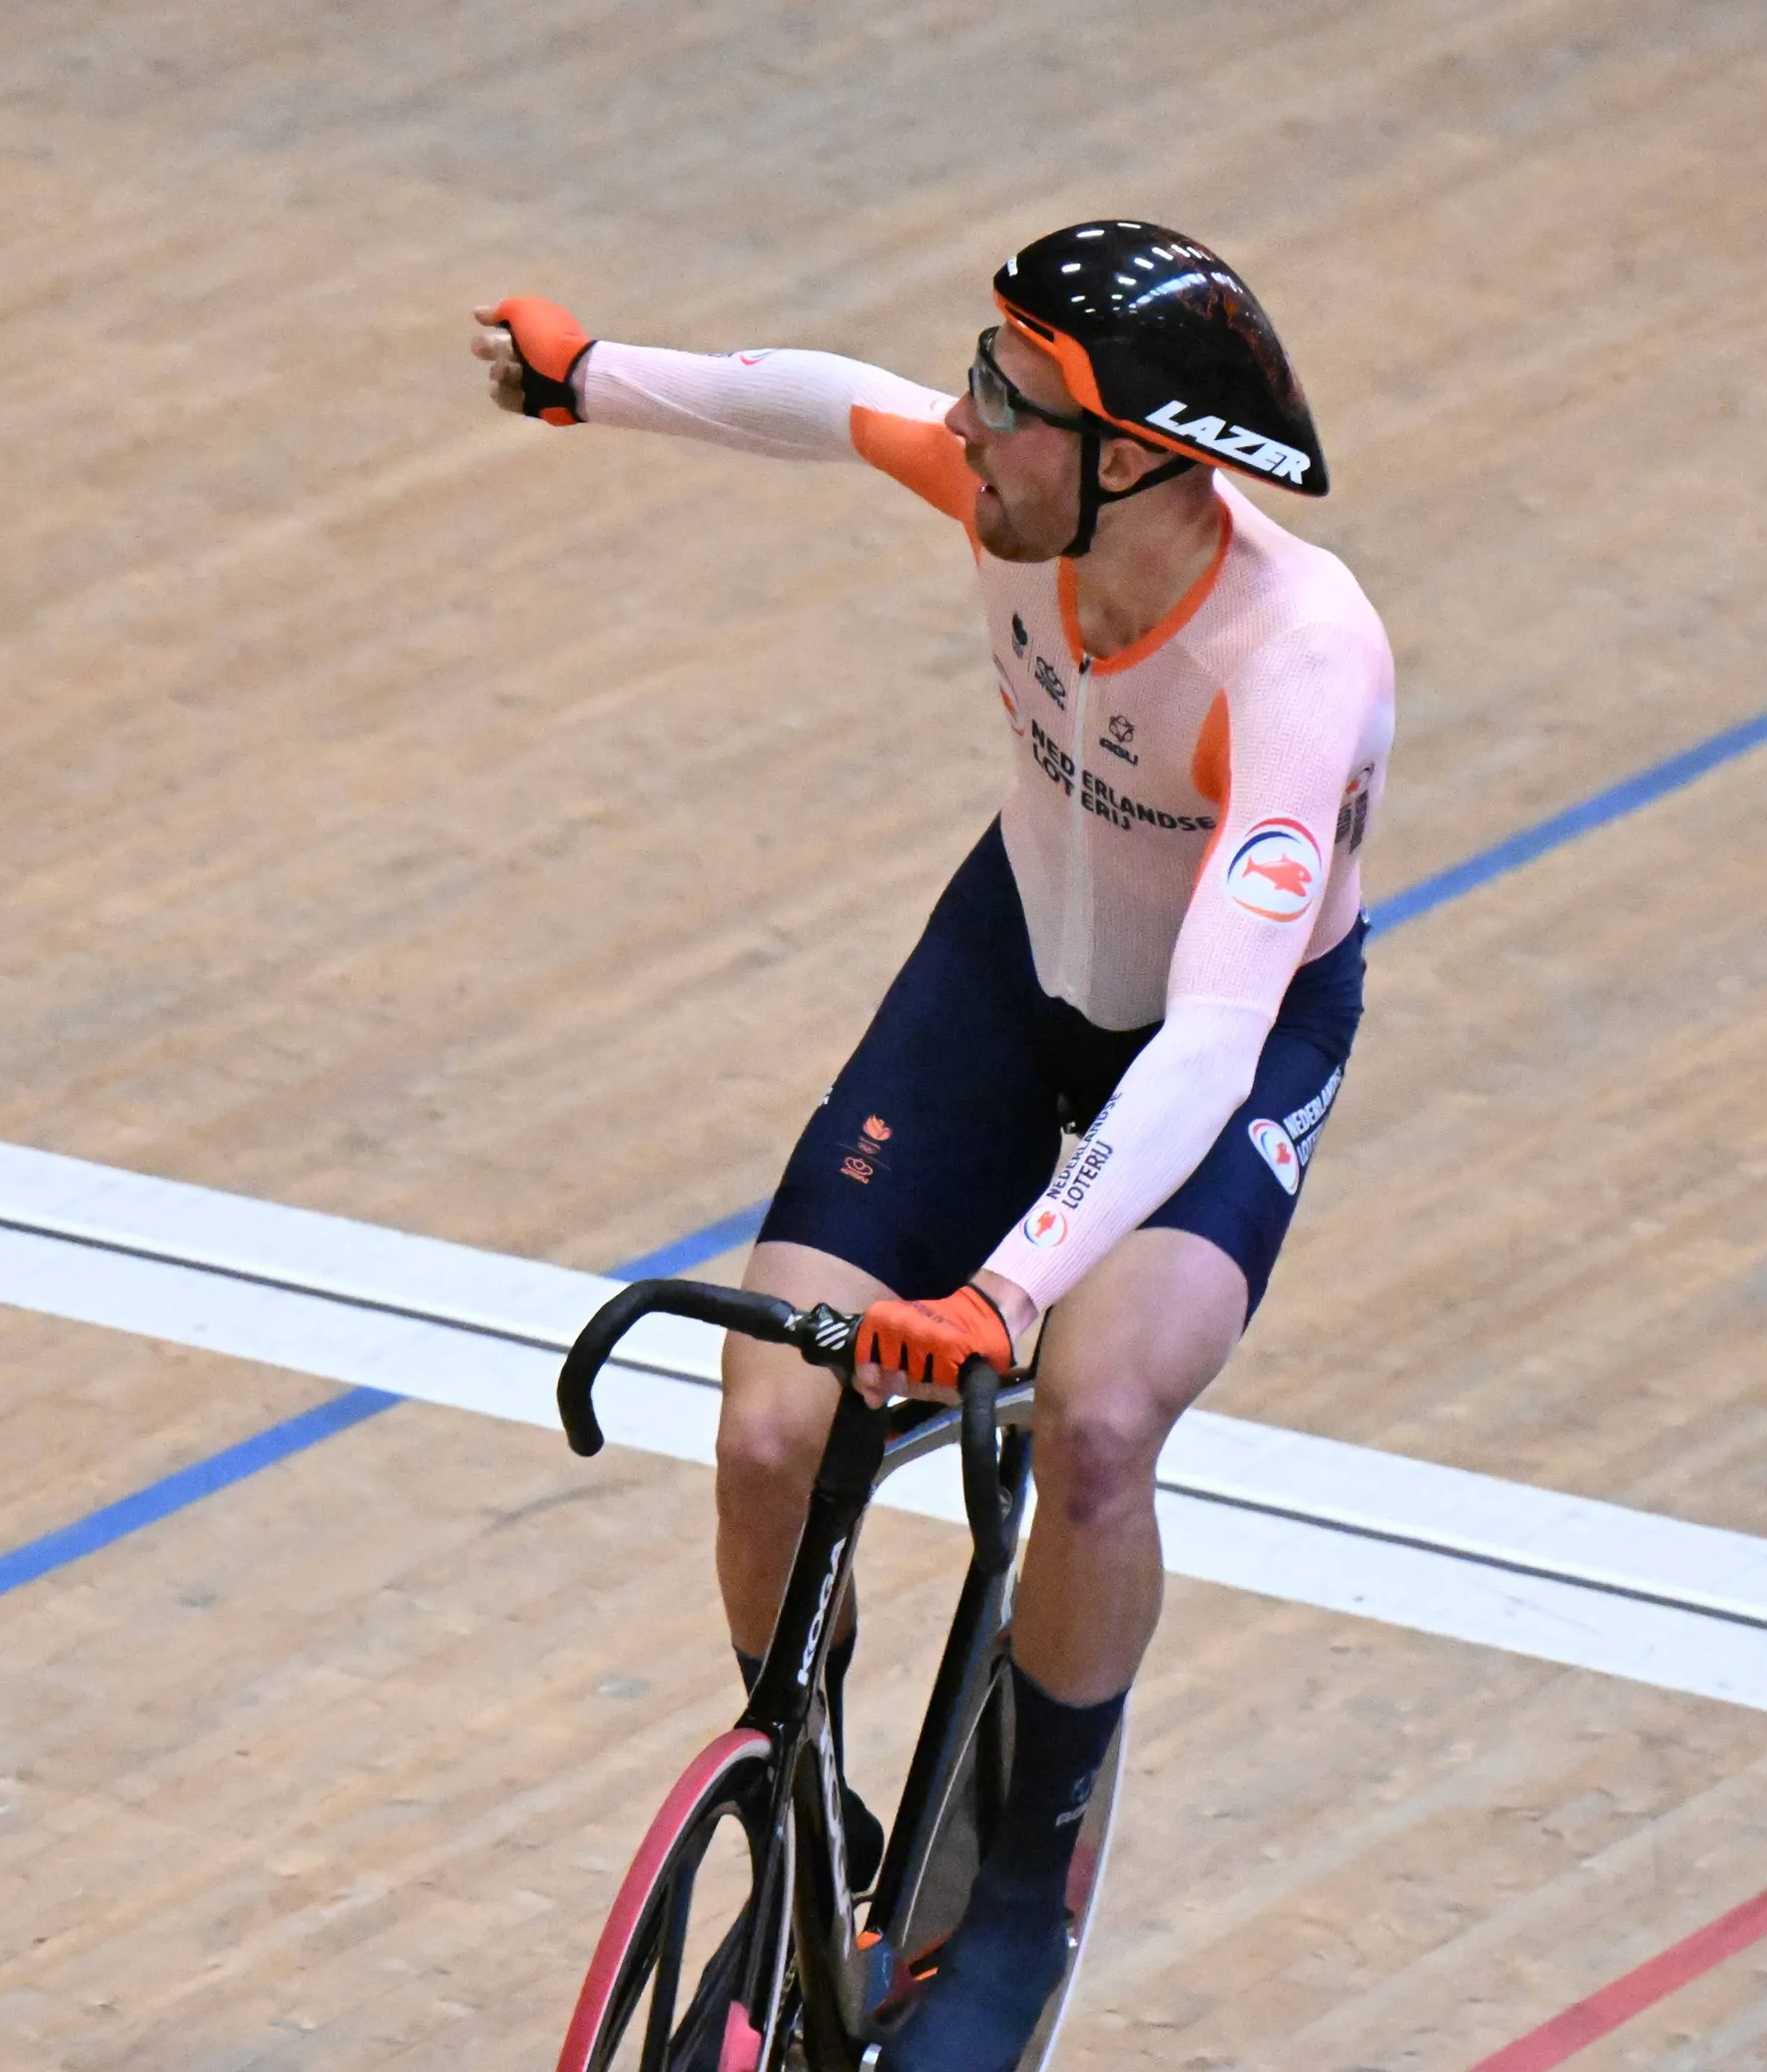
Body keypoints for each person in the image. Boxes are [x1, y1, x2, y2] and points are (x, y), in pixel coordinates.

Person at [476, 224, 1394, 2071]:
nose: (963, 423)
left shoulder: (1298, 664)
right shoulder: (1012, 499)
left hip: (1217, 1039)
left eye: (1010, 400)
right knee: (766, 1419)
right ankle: (815, 1821)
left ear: (1136, 455)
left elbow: (1210, 1040)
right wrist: (595, 377)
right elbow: (830, 404)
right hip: (1016, 961)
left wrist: (1009, 1289)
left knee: (1101, 1416)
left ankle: (1024, 1882)